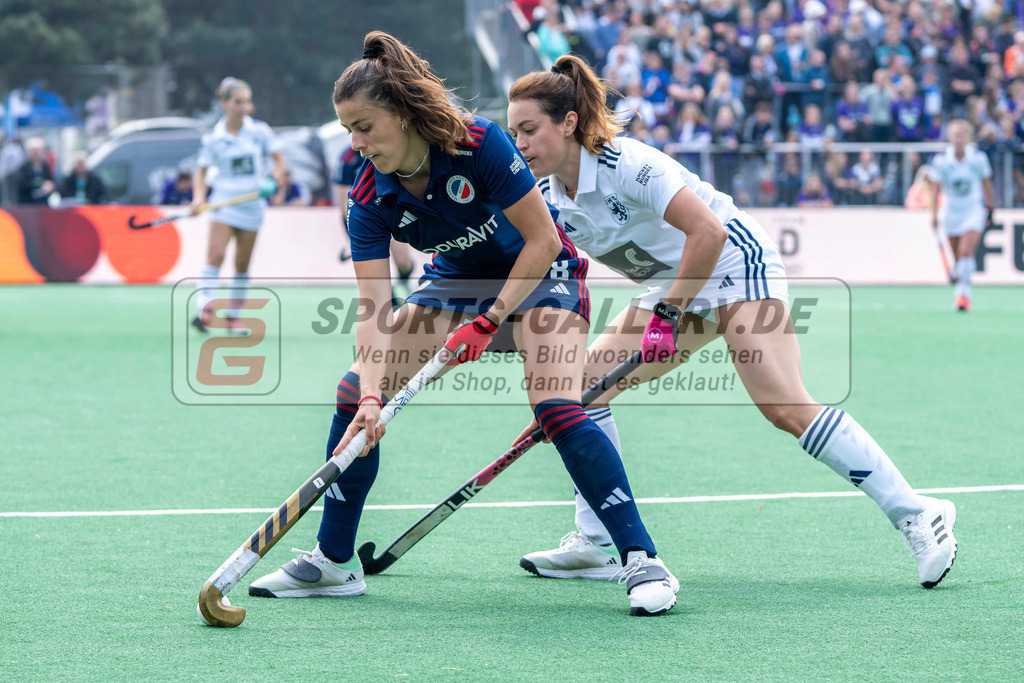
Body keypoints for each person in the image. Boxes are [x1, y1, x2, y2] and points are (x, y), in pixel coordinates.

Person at [246, 31, 678, 617]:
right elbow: (374, 307)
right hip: (454, 282)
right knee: (354, 391)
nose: (355, 143)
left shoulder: (479, 144)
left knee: (555, 404)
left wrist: (492, 317)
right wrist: (373, 394)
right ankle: (333, 561)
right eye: (347, 129)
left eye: (364, 126)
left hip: (542, 271)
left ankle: (640, 558)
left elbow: (543, 238)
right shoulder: (368, 196)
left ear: (400, 114)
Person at [506, 53, 958, 591]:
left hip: (734, 262)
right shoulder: (550, 198)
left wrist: (668, 315)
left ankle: (916, 512)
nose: (520, 144)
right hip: (675, 283)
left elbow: (710, 234)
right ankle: (600, 541)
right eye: (514, 133)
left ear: (569, 123)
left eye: (529, 130)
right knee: (577, 393)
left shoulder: (628, 163)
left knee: (783, 405)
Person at [190, 77, 287, 334]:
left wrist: (272, 180)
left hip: (252, 205)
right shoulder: (214, 138)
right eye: (238, 102)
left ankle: (233, 316)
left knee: (241, 264)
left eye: (247, 102)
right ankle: (206, 307)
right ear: (224, 103)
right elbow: (200, 174)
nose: (244, 107)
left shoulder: (259, 132)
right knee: (215, 255)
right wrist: (198, 198)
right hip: (223, 202)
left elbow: (281, 164)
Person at [332, 143, 417, 302]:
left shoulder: (388, 151)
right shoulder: (347, 158)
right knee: (376, 268)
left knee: (404, 263)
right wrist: (354, 235)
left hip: (392, 214)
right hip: (367, 220)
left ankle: (406, 281)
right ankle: (390, 301)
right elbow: (344, 206)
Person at [926, 120, 995, 312]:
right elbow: (934, 190)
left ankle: (963, 296)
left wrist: (991, 207)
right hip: (950, 213)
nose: (958, 138)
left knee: (966, 252)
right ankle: (962, 288)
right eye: (955, 134)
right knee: (958, 260)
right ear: (949, 137)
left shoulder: (978, 159)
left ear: (968, 137)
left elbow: (987, 183)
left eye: (962, 134)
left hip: (973, 211)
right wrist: (933, 214)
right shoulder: (941, 161)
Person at [16, 137, 57, 205]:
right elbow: (22, 184)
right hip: (28, 204)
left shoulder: (45, 167)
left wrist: (51, 186)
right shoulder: (24, 168)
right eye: (34, 151)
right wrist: (41, 185)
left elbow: (52, 181)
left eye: (38, 151)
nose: (36, 153)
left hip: (43, 204)